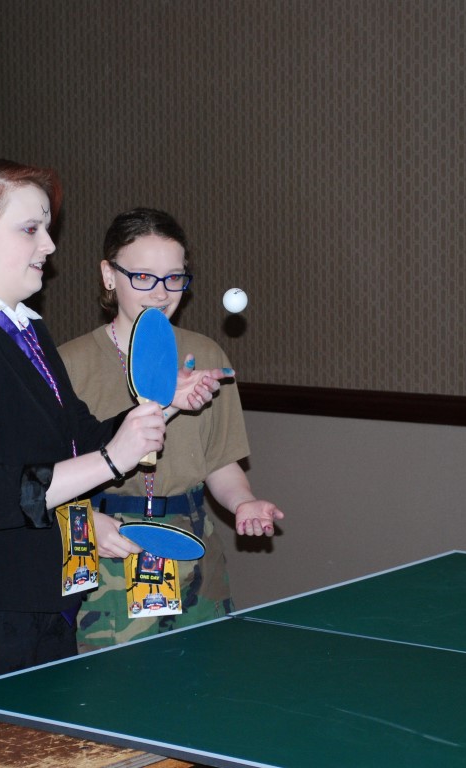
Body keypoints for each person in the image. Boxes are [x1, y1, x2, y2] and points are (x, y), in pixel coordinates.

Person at [0, 154, 226, 695]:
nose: (50, 245)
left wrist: (164, 407)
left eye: (46, 228)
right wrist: (113, 458)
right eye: (30, 229)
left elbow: (83, 439)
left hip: (42, 605)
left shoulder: (27, 332)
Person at [58, 207, 284, 651]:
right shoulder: (67, 364)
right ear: (109, 275)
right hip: (107, 546)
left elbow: (219, 461)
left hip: (192, 547)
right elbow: (39, 480)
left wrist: (243, 501)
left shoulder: (206, 354)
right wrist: (81, 523)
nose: (161, 293)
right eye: (143, 276)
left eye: (174, 278)